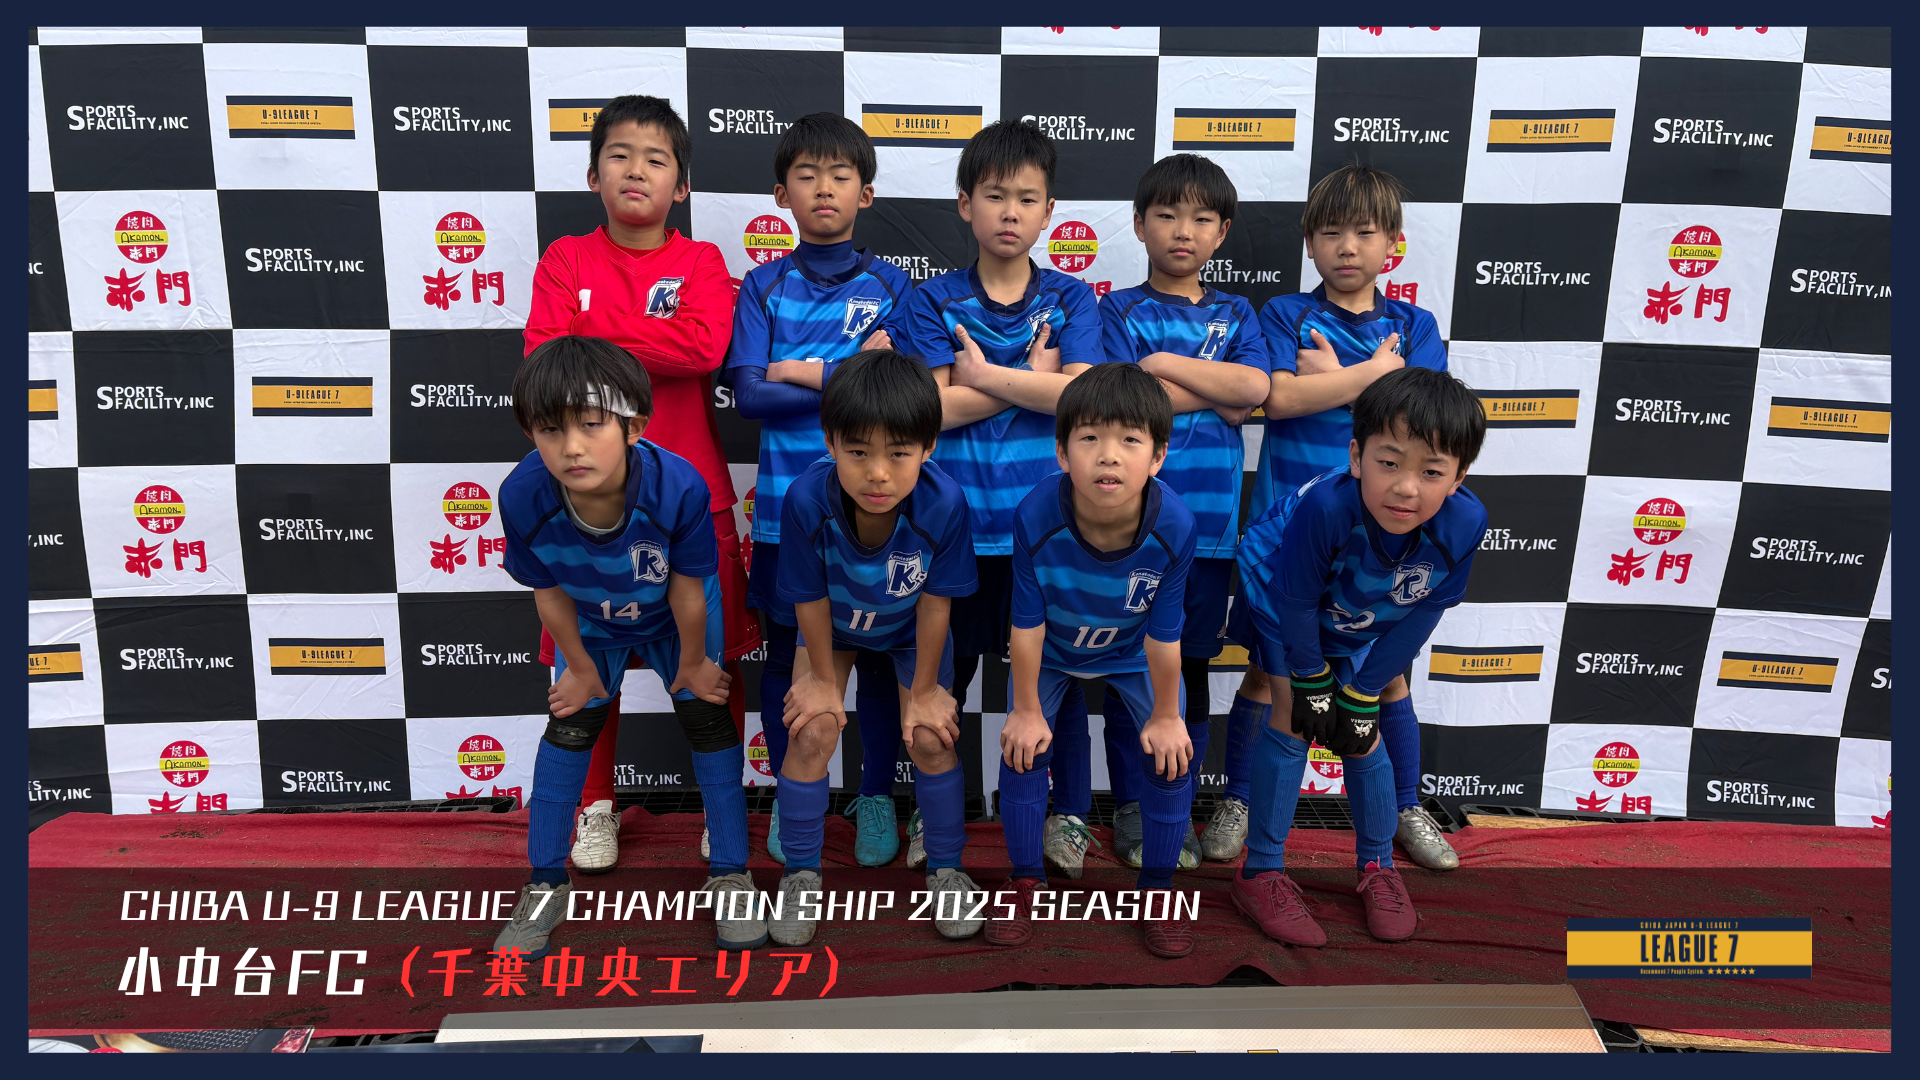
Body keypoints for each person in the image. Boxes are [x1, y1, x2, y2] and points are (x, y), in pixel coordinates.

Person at [524, 94, 756, 874]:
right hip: (586, 504)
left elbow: (704, 349)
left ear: (680, 186)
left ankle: (722, 806)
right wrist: (641, 336)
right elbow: (544, 361)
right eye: (619, 155)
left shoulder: (702, 263)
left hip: (693, 499)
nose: (636, 170)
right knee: (589, 664)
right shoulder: (565, 259)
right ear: (594, 174)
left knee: (711, 663)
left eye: (656, 160)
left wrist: (591, 332)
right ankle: (595, 807)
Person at [492, 336, 762, 958]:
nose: (572, 447)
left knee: (709, 720)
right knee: (568, 731)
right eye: (550, 429)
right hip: (589, 618)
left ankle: (731, 873)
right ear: (531, 433)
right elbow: (548, 592)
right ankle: (544, 885)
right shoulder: (521, 494)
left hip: (674, 617)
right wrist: (579, 668)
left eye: (591, 424)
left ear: (634, 426)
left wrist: (694, 663)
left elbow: (691, 589)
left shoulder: (679, 486)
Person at [1244, 163, 1458, 870]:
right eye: (1331, 232)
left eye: (1364, 233)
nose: (1347, 247)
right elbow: (1277, 400)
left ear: (1392, 244)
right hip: (1290, 531)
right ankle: (1240, 800)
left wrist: (1331, 380)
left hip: (1380, 536)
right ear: (1309, 242)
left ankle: (1405, 806)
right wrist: (1370, 377)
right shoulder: (1284, 314)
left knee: (1385, 676)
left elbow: (1420, 419)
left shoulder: (1414, 324)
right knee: (1268, 674)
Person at [898, 119, 1101, 866]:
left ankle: (1066, 816)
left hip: (1047, 534)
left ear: (1049, 212)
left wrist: (979, 376)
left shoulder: (1075, 298)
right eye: (993, 195)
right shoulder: (931, 300)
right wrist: (1027, 381)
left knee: (1056, 686)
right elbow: (927, 410)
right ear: (965, 205)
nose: (1009, 212)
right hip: (951, 530)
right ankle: (935, 819)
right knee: (938, 685)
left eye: (1026, 198)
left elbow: (1083, 400)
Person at [1227, 367, 1486, 947]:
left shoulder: (1467, 522)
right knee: (1294, 715)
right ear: (1356, 456)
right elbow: (1296, 601)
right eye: (1388, 463)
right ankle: (1259, 872)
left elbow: (1423, 612)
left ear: (1459, 478)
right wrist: (1312, 675)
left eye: (1431, 472)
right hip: (1280, 584)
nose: (1406, 488)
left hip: (1353, 597)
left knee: (1359, 727)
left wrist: (1363, 691)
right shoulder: (1326, 506)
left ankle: (1378, 868)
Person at [723, 113, 915, 869]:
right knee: (786, 660)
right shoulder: (762, 284)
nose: (824, 188)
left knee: (876, 661)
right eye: (807, 175)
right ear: (782, 194)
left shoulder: (893, 285)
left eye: (840, 176)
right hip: (783, 515)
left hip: (876, 514)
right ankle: (789, 789)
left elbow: (897, 393)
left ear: (865, 193)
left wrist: (798, 369)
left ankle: (875, 796)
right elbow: (748, 395)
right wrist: (851, 370)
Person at [1093, 153, 1273, 869]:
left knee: (1188, 673)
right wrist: (1216, 389)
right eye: (1166, 215)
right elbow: (1123, 405)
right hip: (1129, 529)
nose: (1182, 230)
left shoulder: (1238, 312)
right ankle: (1130, 808)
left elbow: (1254, 389)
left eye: (1201, 218)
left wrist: (1161, 366)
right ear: (1139, 225)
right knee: (1127, 672)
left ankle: (1176, 805)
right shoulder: (1115, 310)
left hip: (1211, 534)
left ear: (1222, 232)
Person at [769, 350, 985, 945]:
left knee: (931, 736)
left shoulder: (944, 502)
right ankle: (800, 874)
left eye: (899, 454)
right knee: (812, 730)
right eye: (859, 452)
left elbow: (936, 604)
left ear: (929, 448)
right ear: (830, 442)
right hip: (833, 629)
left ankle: (946, 870)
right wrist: (819, 680)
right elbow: (808, 600)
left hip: (910, 629)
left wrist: (925, 691)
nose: (878, 474)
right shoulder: (805, 499)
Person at [990, 363, 1200, 958]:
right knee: (1022, 747)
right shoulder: (1035, 514)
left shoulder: (1176, 524)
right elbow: (1026, 624)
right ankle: (1024, 882)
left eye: (1130, 439)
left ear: (1158, 456)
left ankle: (1158, 892)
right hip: (1053, 652)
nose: (1109, 455)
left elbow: (1165, 636)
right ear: (1061, 452)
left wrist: (1167, 716)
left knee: (1171, 758)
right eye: (1089, 438)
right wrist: (1025, 710)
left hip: (1133, 654)